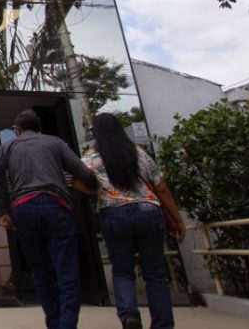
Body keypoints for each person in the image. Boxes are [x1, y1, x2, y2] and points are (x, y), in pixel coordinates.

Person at [0, 109, 98, 329]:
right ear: (39, 128)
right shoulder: (55, 143)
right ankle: (67, 325)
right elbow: (83, 173)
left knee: (40, 271)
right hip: (56, 205)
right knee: (66, 270)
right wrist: (96, 186)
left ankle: (53, 322)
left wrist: (3, 212)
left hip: (23, 209)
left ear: (17, 130)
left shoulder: (8, 147)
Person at [80, 113, 186, 329]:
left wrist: (98, 190)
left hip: (114, 214)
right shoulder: (138, 153)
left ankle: (130, 317)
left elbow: (74, 180)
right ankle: (163, 324)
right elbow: (161, 187)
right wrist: (178, 219)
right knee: (155, 274)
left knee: (121, 271)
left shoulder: (91, 158)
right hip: (148, 211)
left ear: (96, 133)